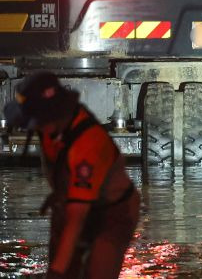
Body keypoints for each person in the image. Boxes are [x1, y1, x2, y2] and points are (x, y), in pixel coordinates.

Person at [3, 73, 140, 279]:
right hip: (70, 202)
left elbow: (77, 218)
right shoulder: (48, 127)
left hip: (113, 212)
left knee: (97, 269)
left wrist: (56, 273)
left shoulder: (87, 144)